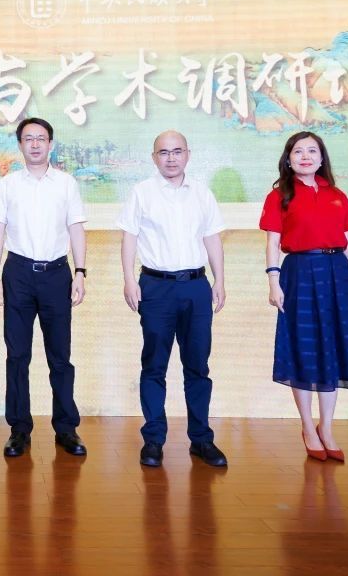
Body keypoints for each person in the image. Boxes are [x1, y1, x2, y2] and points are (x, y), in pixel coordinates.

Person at [118, 130, 228, 469]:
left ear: (188, 154)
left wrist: (220, 280)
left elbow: (212, 238)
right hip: (156, 287)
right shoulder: (141, 192)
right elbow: (129, 237)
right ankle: (153, 439)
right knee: (154, 365)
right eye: (163, 152)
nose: (171, 158)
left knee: (198, 366)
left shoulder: (202, 193)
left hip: (196, 286)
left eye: (177, 151)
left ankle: (201, 439)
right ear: (154, 157)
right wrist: (129, 280)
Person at [259, 131, 348, 462]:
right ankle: (308, 427)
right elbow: (273, 241)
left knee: (333, 347)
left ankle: (327, 428)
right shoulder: (279, 196)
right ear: (288, 158)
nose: (305, 156)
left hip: (337, 274)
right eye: (298, 151)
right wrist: (273, 280)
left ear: (322, 159)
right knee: (303, 349)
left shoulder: (337, 194)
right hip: (299, 273)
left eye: (312, 151)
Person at [0, 117, 89, 458]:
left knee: (60, 356)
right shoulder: (8, 185)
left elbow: (76, 229)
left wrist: (80, 272)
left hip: (57, 274)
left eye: (41, 138)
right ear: (20, 145)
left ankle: (66, 428)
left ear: (50, 144)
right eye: (28, 138)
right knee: (17, 355)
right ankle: (19, 429)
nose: (34, 144)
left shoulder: (66, 184)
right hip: (17, 273)